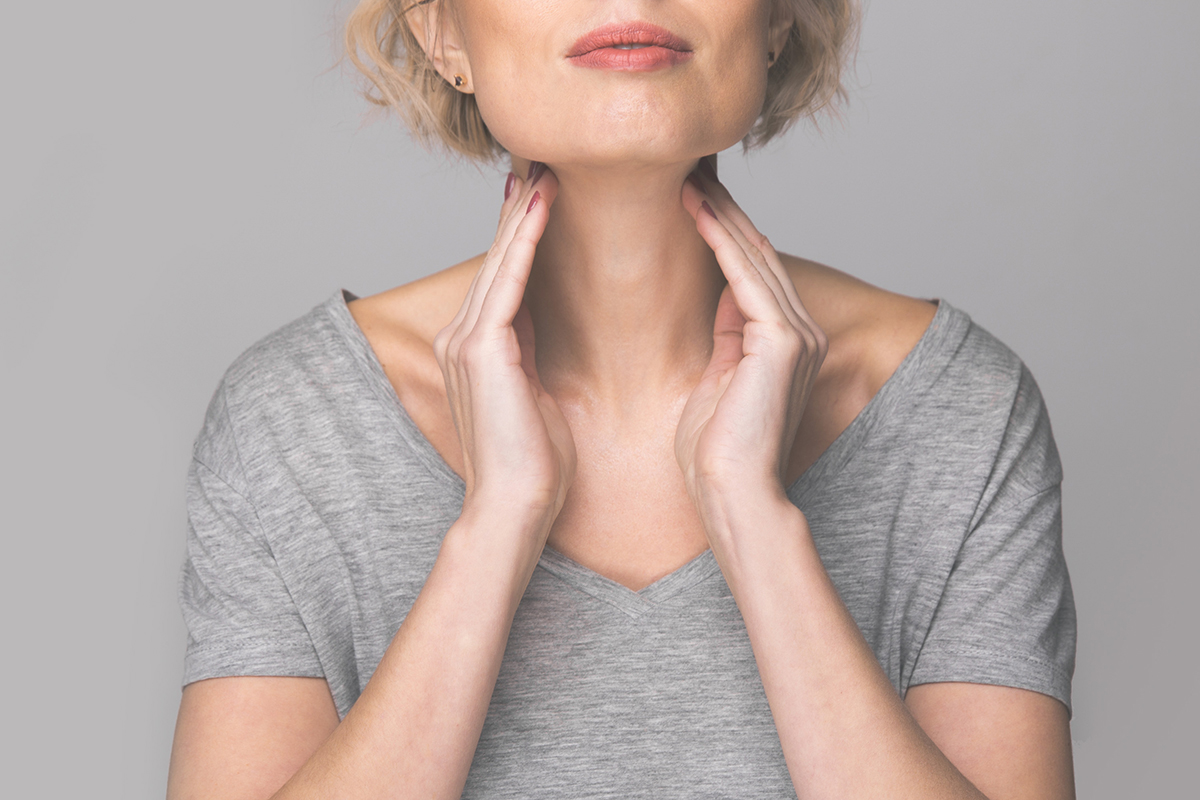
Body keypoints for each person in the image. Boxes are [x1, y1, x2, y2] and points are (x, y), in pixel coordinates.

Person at [166, 0, 1077, 798]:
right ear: (441, 29)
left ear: (780, 17)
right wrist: (496, 525)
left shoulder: (959, 411)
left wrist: (754, 519)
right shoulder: (290, 422)